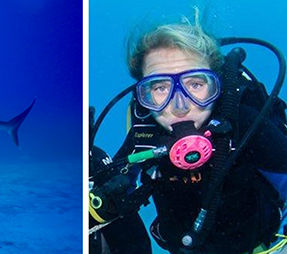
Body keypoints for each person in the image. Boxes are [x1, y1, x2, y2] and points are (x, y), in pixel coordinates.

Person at [89, 11, 287, 254]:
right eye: (161, 87)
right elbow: (114, 190)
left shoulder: (244, 125)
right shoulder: (145, 136)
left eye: (196, 84)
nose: (180, 105)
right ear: (144, 97)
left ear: (217, 87)